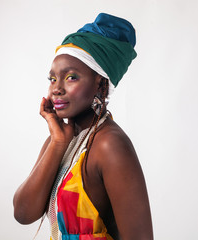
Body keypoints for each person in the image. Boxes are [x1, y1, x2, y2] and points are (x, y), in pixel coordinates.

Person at [13, 13, 153, 240]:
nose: (56, 88)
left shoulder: (110, 144)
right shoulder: (60, 139)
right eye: (52, 79)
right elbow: (23, 213)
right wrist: (58, 142)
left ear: (101, 84)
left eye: (71, 77)